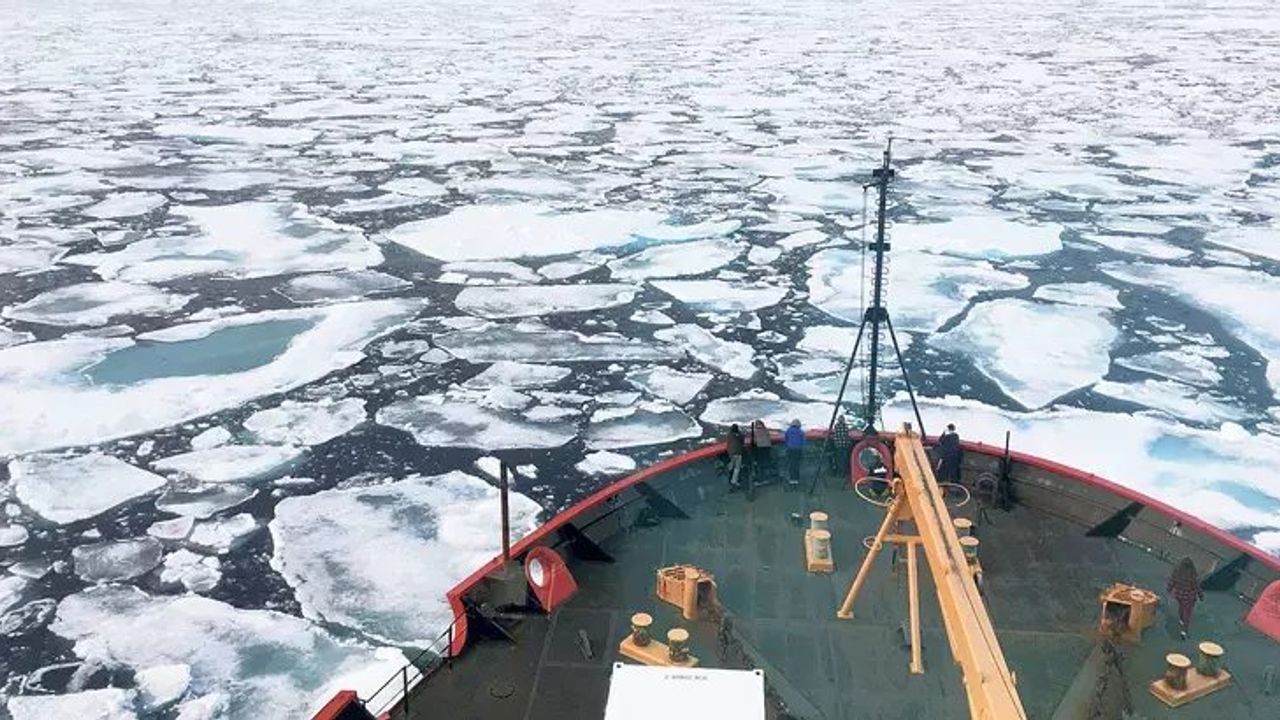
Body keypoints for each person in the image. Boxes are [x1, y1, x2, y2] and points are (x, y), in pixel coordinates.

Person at [1167, 557, 1203, 639]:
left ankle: (1181, 619)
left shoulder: (1177, 572)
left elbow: (1172, 581)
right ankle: (1184, 630)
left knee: (1181, 607)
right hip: (1190, 597)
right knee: (1187, 613)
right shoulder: (1193, 574)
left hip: (1180, 595)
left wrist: (1169, 589)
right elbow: (1196, 586)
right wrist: (1200, 595)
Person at [750, 419, 774, 484]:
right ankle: (769, 477)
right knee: (767, 463)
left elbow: (754, 442)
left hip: (760, 449)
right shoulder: (765, 430)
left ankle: (760, 478)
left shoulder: (756, 432)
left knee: (760, 464)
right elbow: (768, 438)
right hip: (767, 449)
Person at [783, 419, 805, 489]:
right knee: (797, 465)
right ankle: (797, 479)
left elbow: (785, 439)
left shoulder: (788, 430)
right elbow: (803, 441)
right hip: (798, 450)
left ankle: (792, 480)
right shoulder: (801, 431)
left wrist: (788, 446)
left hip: (790, 450)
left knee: (791, 465)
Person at [725, 424, 745, 489]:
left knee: (732, 463)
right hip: (738, 453)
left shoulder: (729, 435)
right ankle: (734, 481)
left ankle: (728, 470)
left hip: (730, 452)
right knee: (737, 468)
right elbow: (742, 439)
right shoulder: (738, 435)